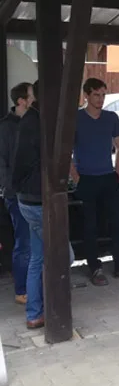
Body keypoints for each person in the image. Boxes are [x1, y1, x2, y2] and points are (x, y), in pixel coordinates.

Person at [71, 78, 119, 286]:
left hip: (108, 177)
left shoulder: (111, 117)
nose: (101, 99)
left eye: (103, 95)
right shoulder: (76, 118)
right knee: (90, 225)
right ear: (86, 95)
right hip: (86, 178)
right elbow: (66, 150)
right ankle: (95, 268)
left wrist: (116, 171)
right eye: (96, 94)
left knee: (118, 222)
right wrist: (75, 177)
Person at [12, 81, 74, 329]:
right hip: (39, 200)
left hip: (29, 198)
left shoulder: (31, 118)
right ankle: (53, 309)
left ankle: (35, 313)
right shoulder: (40, 122)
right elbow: (38, 161)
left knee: (38, 258)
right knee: (62, 256)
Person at [0, 82, 34, 305]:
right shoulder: (5, 127)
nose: (34, 99)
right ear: (21, 100)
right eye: (31, 96)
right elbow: (2, 163)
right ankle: (21, 290)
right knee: (23, 242)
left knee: (34, 243)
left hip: (33, 192)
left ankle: (33, 284)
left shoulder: (32, 122)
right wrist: (9, 189)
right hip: (16, 193)